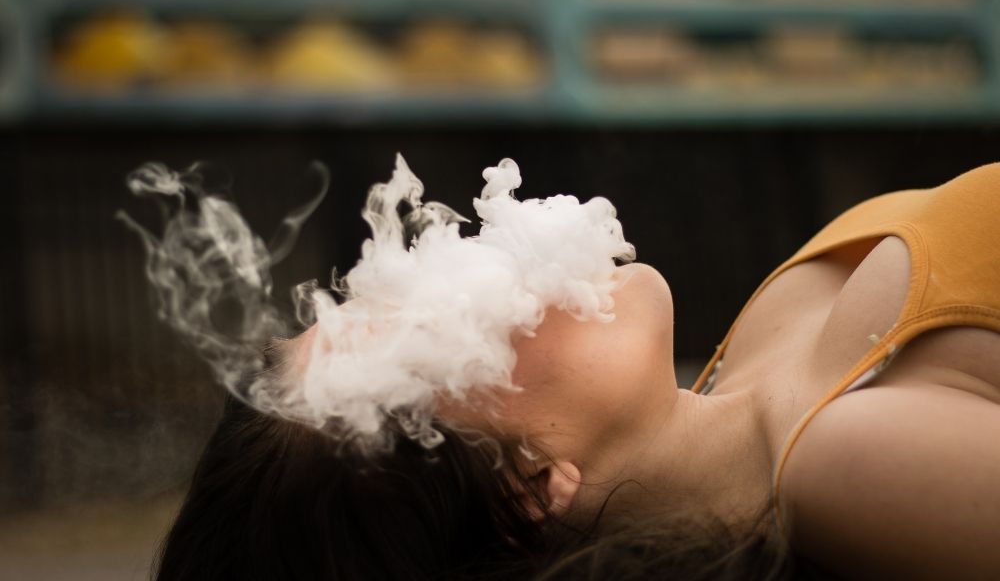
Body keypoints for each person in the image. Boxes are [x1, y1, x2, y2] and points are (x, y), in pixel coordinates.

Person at [155, 163, 1000, 579]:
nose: (440, 262)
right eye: (426, 328)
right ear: (524, 490)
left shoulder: (734, 380)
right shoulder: (847, 463)